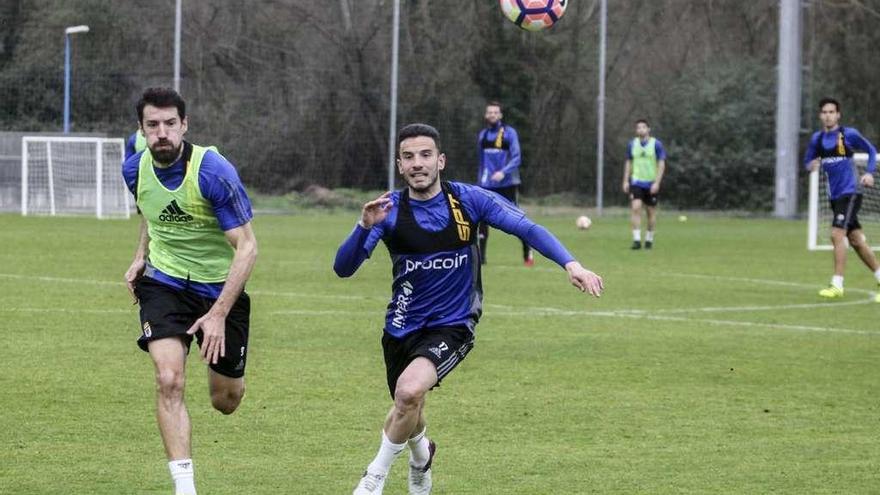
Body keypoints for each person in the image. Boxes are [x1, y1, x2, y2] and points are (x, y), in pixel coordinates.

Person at [334, 123, 604, 494]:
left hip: (454, 323)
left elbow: (527, 228)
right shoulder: (388, 212)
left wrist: (571, 264)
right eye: (409, 157)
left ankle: (372, 480)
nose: (418, 163)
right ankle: (421, 454)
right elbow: (343, 268)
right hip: (400, 325)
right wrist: (363, 226)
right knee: (408, 405)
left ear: (440, 160)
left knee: (409, 392)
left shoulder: (468, 200)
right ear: (399, 165)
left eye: (425, 155)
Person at [122, 87, 258, 495]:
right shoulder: (134, 168)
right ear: (142, 130)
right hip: (164, 283)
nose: (161, 133)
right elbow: (150, 210)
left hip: (219, 289)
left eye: (169, 124)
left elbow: (248, 246)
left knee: (225, 400)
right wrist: (140, 254)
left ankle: (230, 370)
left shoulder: (213, 171)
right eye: (152, 125)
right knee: (169, 379)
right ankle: (185, 489)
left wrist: (217, 313)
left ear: (184, 125)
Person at [803, 97, 880, 301]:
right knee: (856, 241)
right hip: (834, 196)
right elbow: (807, 161)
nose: (828, 116)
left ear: (838, 115)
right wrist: (811, 165)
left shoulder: (848, 135)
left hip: (851, 192)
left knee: (837, 235)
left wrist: (870, 172)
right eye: (824, 112)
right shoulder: (817, 140)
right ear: (820, 116)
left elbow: (872, 151)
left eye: (831, 112)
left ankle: (837, 284)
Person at [476, 101, 533, 265]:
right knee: (482, 220)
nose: (492, 115)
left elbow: (517, 157)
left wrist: (503, 172)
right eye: (489, 112)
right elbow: (481, 162)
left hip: (507, 184)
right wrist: (480, 181)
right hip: (486, 185)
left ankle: (527, 253)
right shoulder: (483, 135)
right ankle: (482, 259)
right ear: (486, 115)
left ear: (500, 115)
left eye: (495, 112)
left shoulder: (509, 133)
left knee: (515, 219)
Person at [622, 119, 666, 250]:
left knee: (650, 213)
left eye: (643, 127)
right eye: (638, 128)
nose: (641, 130)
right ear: (636, 130)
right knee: (636, 207)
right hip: (636, 182)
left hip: (651, 183)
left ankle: (649, 239)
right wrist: (625, 180)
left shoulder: (656, 144)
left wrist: (657, 182)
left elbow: (661, 164)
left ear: (648, 129)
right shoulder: (632, 144)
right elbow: (628, 162)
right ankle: (636, 240)